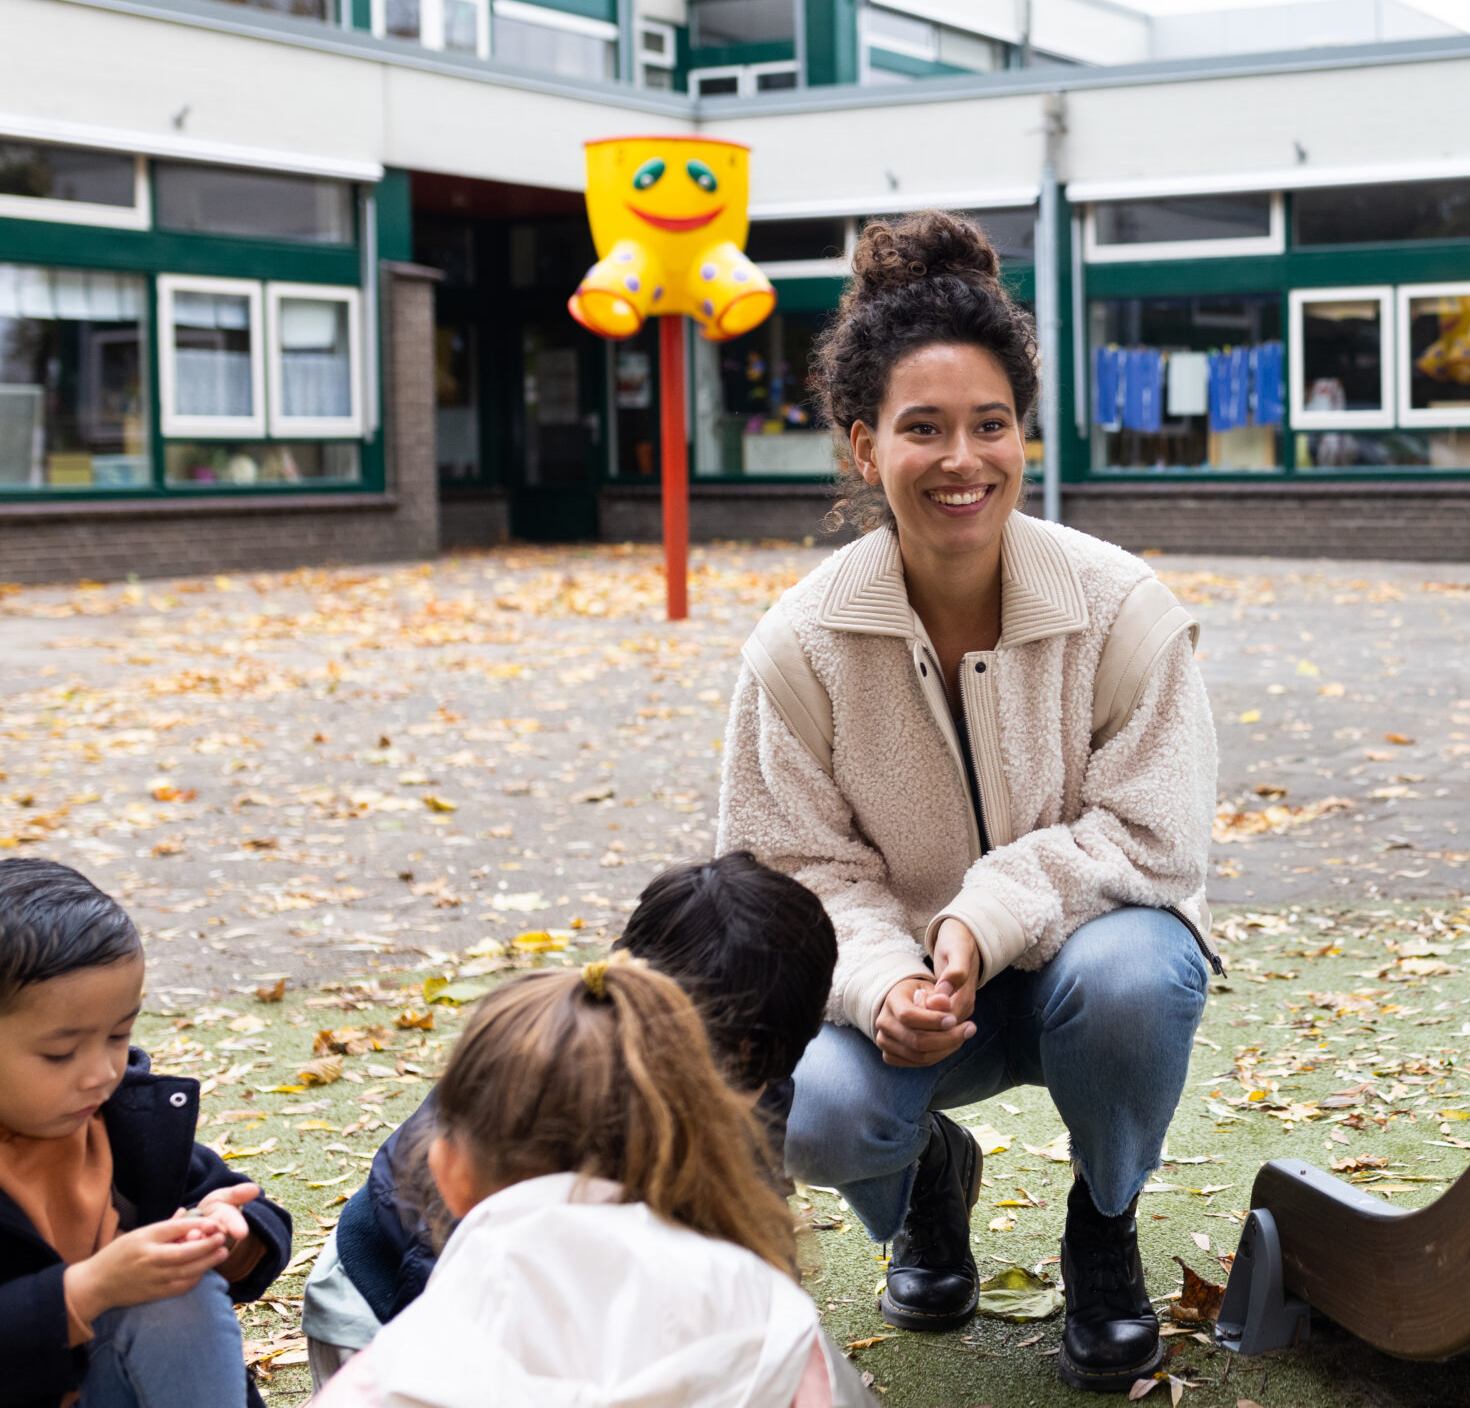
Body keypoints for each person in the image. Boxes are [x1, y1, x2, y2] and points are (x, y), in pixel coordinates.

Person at [719, 210, 1216, 1394]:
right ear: (860, 447)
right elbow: (786, 876)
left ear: (1024, 438)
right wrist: (883, 979)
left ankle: (1105, 1225)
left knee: (1140, 976)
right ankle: (925, 1191)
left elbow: (1155, 834)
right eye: (922, 428)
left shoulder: (1118, 606)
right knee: (825, 1110)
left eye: (991, 425)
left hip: (1084, 968)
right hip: (909, 990)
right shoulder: (799, 647)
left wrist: (991, 910)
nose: (962, 459)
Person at [300, 854, 836, 1381]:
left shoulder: (751, 1067)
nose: (738, 1090)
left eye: (762, 1066)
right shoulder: (538, 1105)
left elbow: (749, 1211)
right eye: (721, 1064)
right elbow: (464, 1309)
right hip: (394, 1312)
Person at [0, 858, 290, 1408]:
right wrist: (87, 1291)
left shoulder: (123, 1121)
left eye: (119, 1034)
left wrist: (227, 1234)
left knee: (177, 1294)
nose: (102, 1072)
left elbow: (233, 1202)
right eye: (60, 1053)